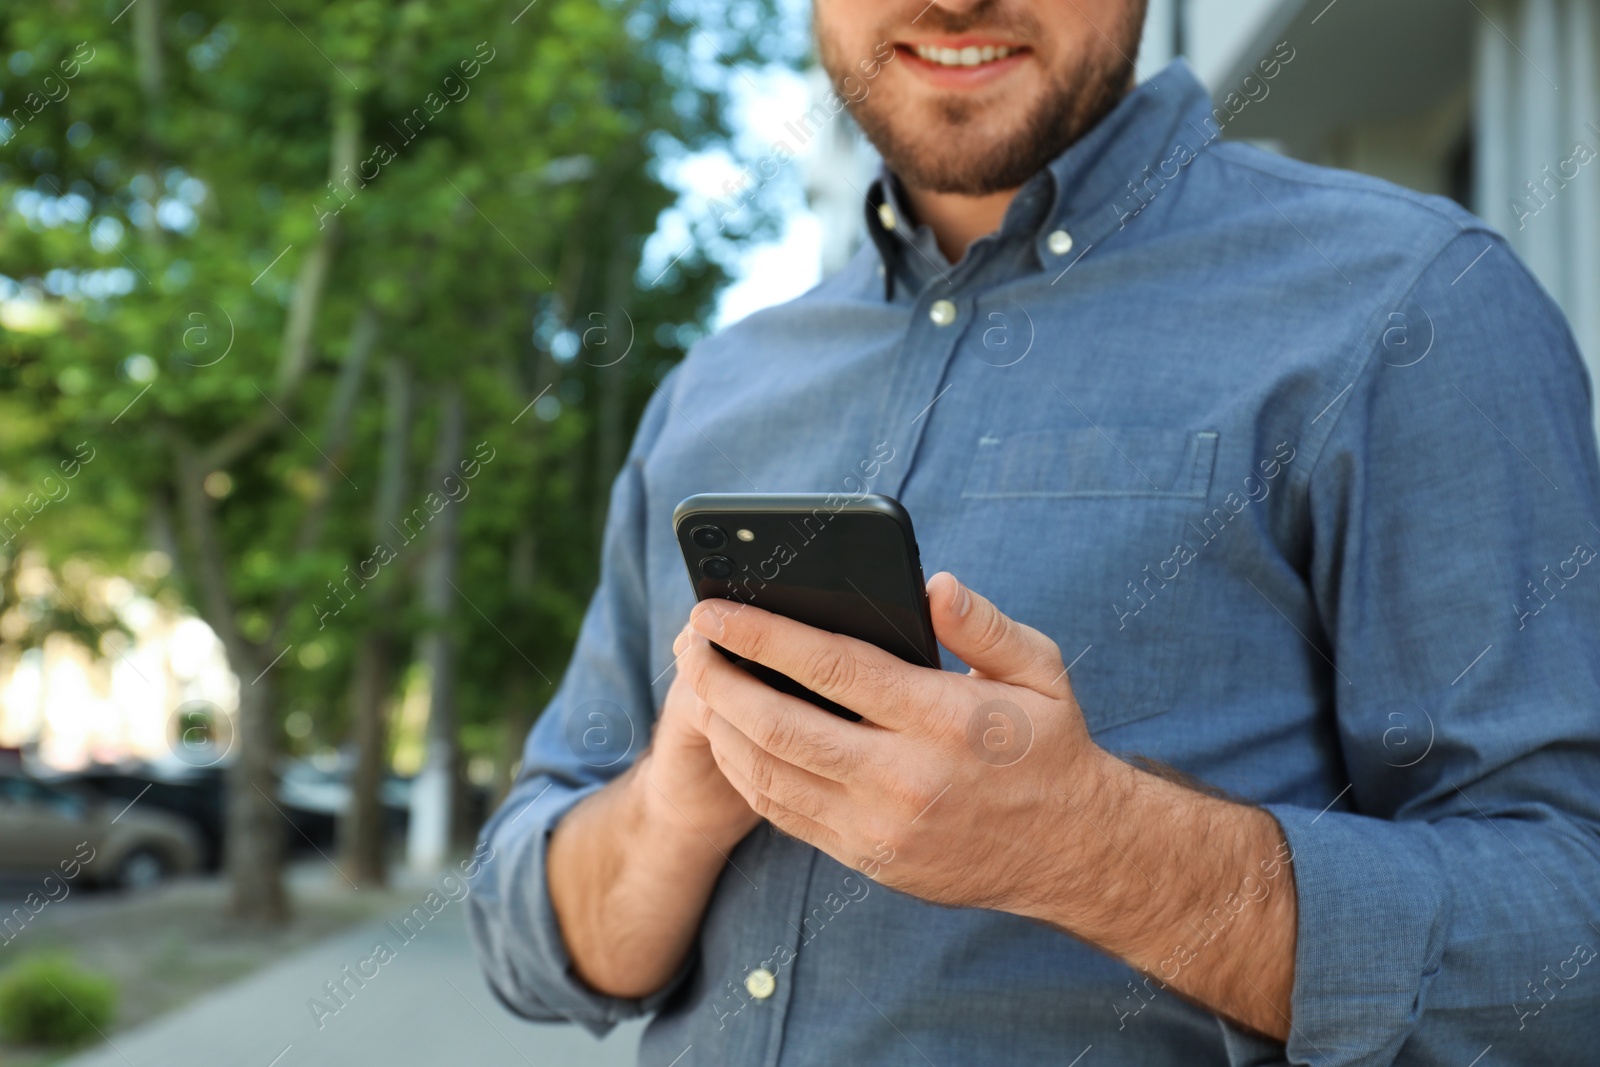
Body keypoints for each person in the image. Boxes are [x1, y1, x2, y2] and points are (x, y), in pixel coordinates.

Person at [468, 0, 1600, 1063]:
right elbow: (527, 936)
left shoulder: (1414, 305)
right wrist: (674, 806)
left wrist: (1099, 849)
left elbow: (1571, 932)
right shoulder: (714, 390)